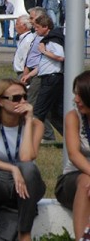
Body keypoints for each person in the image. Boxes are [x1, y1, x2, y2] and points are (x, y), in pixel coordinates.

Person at [0, 78, 45, 241]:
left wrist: (28, 121)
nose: (23, 102)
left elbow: (26, 157)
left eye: (25, 96)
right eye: (16, 98)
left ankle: (24, 234)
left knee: (28, 168)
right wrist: (12, 168)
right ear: (0, 101)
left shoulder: (36, 125)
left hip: (28, 183)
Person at [55, 70, 90, 240]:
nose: (76, 100)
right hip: (73, 180)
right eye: (75, 94)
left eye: (80, 95)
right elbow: (74, 154)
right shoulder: (73, 117)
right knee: (86, 180)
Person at [25, 14, 65, 139]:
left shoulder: (52, 40)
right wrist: (30, 74)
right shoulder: (47, 40)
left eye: (37, 27)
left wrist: (43, 51)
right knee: (54, 112)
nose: (35, 29)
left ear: (45, 27)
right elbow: (45, 64)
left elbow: (60, 57)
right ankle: (71, 137)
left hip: (52, 79)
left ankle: (33, 138)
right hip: (49, 78)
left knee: (38, 110)